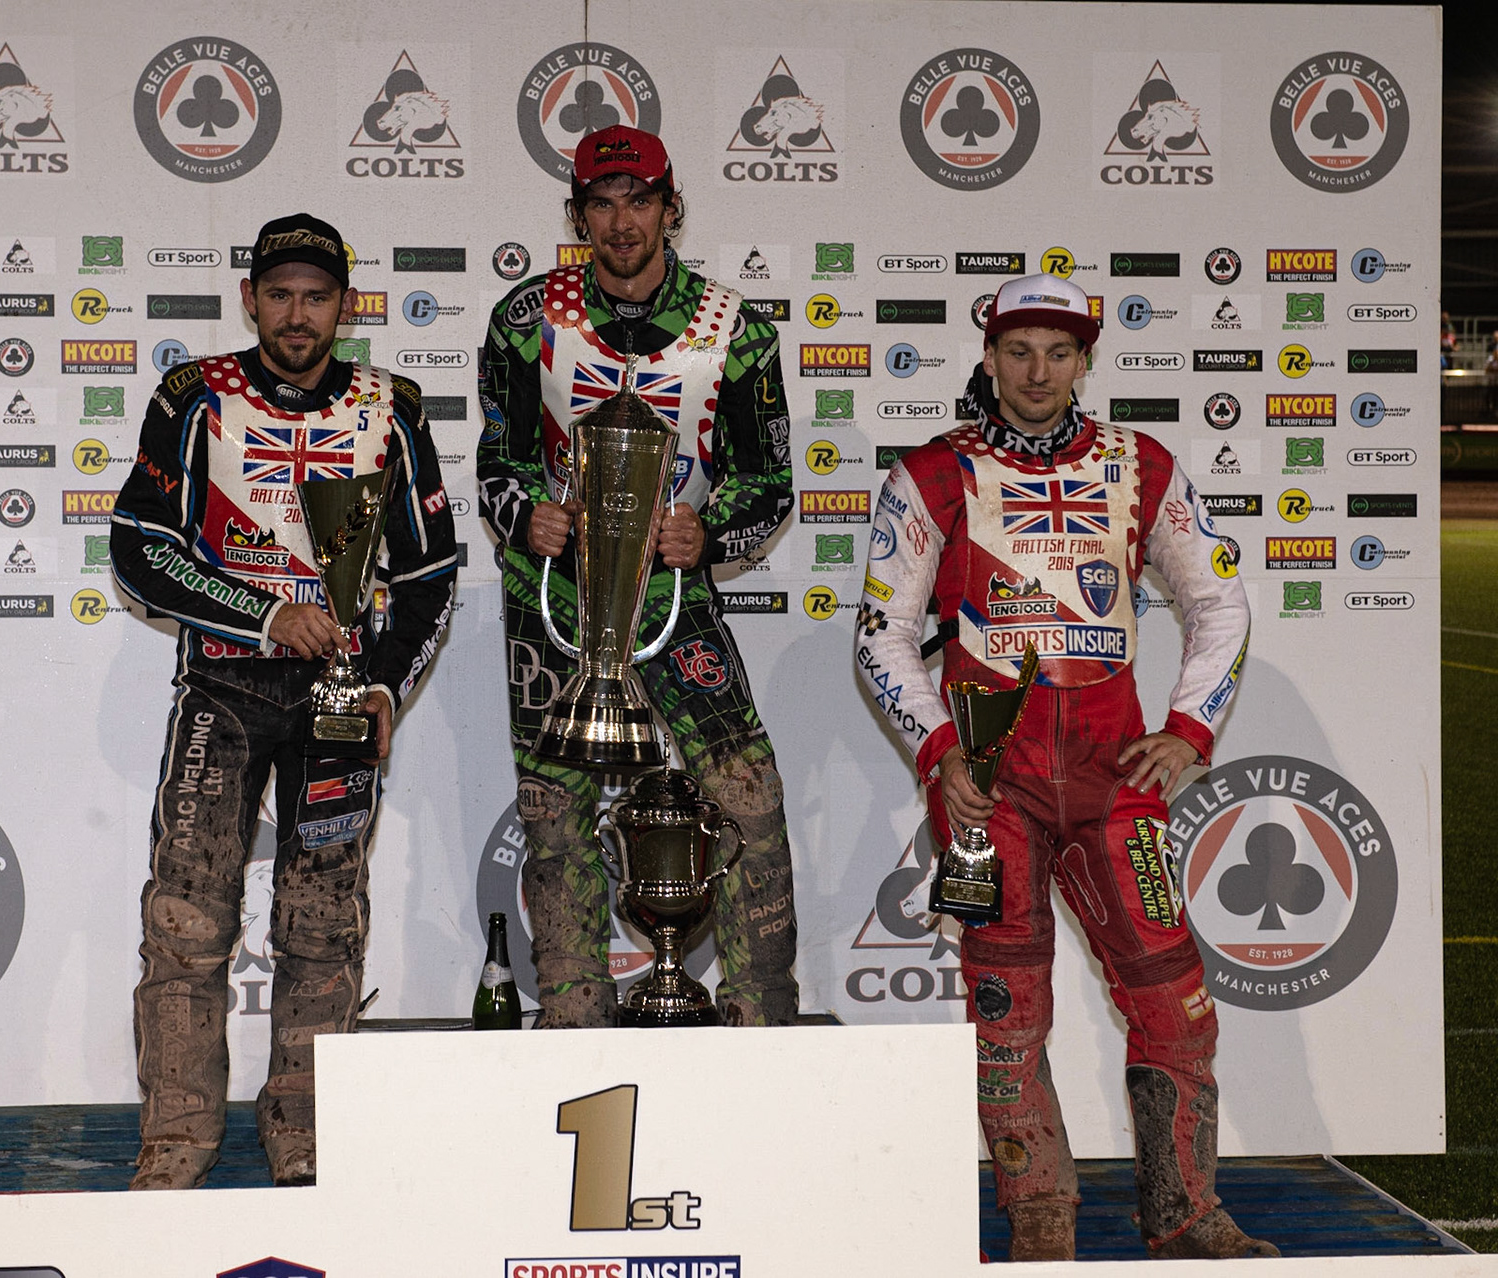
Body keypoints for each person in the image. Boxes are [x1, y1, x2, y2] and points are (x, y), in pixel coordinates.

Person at [858, 274, 1270, 1260]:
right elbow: (881, 634)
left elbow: (1221, 604)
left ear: (1085, 360)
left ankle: (1183, 1213)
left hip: (1113, 784)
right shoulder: (932, 474)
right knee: (1007, 1012)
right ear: (989, 356)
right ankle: (1040, 1214)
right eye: (1018, 351)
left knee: (1175, 1003)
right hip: (989, 793)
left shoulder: (1142, 464)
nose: (1037, 372)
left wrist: (1190, 729)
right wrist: (940, 749)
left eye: (1057, 352)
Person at [110, 213, 457, 1188]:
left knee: (323, 924)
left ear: (345, 305)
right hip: (224, 689)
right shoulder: (194, 398)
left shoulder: (393, 409)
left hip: (338, 705)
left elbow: (429, 574)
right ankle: (176, 1145)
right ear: (249, 300)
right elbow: (138, 547)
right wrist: (267, 615)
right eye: (279, 295)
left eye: (316, 297)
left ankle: (304, 1135)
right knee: (187, 923)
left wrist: (385, 682)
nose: (297, 316)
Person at [476, 125, 798, 1028]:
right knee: (554, 817)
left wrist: (710, 530)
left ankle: (763, 1020)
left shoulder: (736, 329)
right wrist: (524, 518)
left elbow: (770, 483)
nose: (623, 223)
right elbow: (497, 462)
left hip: (670, 600)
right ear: (577, 214)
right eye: (603, 204)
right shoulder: (525, 319)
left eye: (641, 201)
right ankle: (573, 1023)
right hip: (553, 602)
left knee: (749, 798)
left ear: (671, 207)